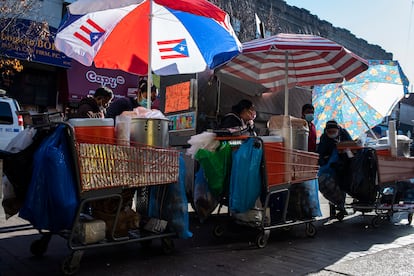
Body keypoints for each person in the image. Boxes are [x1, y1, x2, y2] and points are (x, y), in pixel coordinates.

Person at [317, 120, 353, 219]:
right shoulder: (324, 138)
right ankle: (334, 206)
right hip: (330, 167)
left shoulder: (344, 134)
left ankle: (341, 206)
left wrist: (342, 147)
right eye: (330, 132)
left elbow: (352, 146)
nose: (332, 134)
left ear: (338, 130)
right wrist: (325, 161)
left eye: (334, 132)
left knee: (342, 186)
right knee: (329, 187)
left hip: (343, 165)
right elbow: (320, 153)